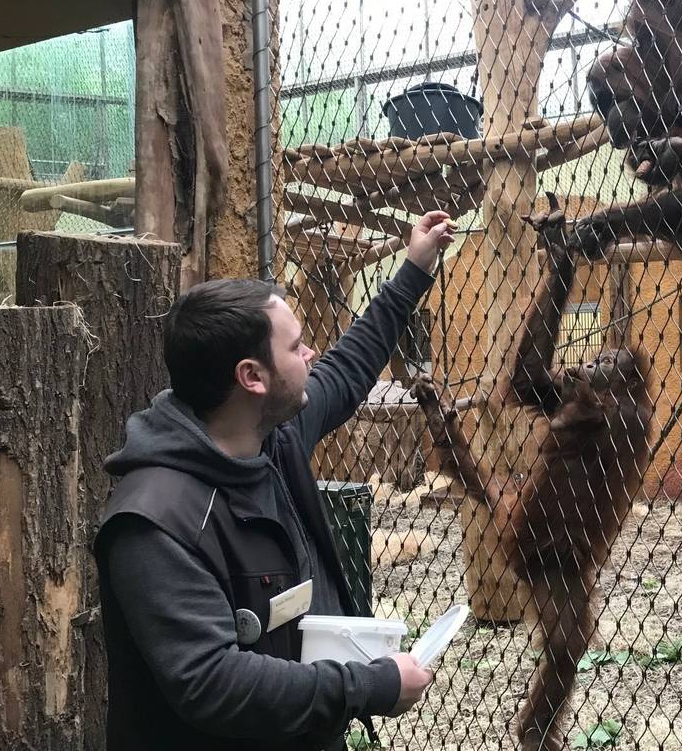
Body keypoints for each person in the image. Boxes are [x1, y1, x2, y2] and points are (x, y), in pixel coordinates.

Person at [92, 211, 457, 750]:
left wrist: (413, 270)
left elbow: (348, 368)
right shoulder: (153, 521)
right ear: (252, 377)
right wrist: (368, 685)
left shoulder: (272, 439)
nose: (311, 354)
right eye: (296, 346)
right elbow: (211, 682)